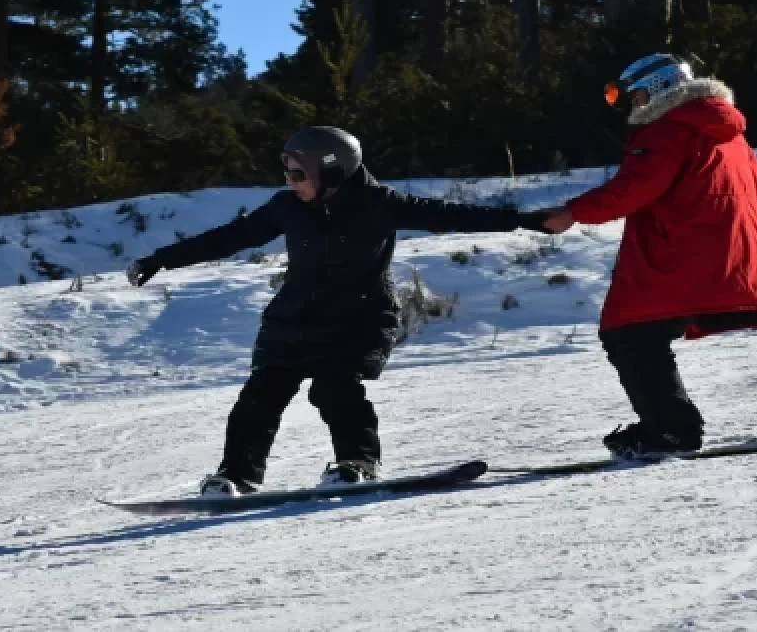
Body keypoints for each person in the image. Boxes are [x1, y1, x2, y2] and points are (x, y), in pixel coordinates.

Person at [128, 126, 552, 496]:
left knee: (335, 388)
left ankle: (358, 463)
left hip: (360, 316)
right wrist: (159, 259)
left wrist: (523, 219)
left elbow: (451, 215)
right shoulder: (286, 207)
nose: (291, 182)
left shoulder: (380, 203)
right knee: (259, 397)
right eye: (287, 173)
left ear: (332, 170)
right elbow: (230, 237)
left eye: (299, 173)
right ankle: (235, 476)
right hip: (294, 316)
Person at [539, 53, 757, 457]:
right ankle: (668, 425)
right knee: (639, 336)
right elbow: (755, 187)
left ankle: (671, 431)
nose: (633, 108)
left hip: (681, 257)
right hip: (732, 259)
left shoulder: (668, 129)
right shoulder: (728, 134)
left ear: (661, 88)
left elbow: (636, 186)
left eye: (635, 97)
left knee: (628, 333)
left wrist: (571, 213)